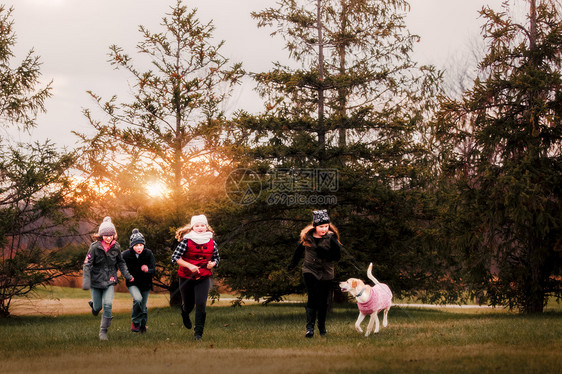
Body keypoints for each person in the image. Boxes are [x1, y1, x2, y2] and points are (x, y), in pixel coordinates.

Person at [288, 209, 342, 338]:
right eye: (321, 226)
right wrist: (292, 264)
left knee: (323, 301)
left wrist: (325, 253)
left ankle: (321, 327)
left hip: (326, 272)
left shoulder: (331, 238)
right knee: (313, 296)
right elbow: (298, 252)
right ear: (315, 226)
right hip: (310, 270)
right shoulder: (307, 237)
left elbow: (337, 256)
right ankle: (310, 328)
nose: (324, 229)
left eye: (326, 226)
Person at [82, 217, 134, 341]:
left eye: (110, 235)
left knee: (108, 304)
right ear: (101, 235)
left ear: (114, 235)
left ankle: (103, 332)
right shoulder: (94, 247)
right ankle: (94, 305)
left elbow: (121, 263)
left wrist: (128, 275)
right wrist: (86, 281)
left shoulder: (116, 247)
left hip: (110, 280)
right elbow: (87, 264)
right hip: (96, 281)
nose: (108, 237)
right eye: (105, 235)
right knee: (98, 307)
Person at [171, 214, 220, 340]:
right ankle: (184, 312)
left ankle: (198, 333)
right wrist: (189, 266)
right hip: (186, 277)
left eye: (202, 225)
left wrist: (212, 264)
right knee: (189, 305)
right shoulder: (186, 241)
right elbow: (175, 258)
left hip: (203, 277)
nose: (200, 228)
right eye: (197, 226)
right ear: (192, 227)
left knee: (201, 304)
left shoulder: (212, 242)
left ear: (206, 227)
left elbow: (217, 258)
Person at [122, 228, 156, 333]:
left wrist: (148, 270)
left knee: (143, 307)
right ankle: (135, 322)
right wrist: (127, 275)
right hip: (133, 283)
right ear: (132, 246)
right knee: (137, 299)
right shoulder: (125, 255)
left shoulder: (148, 253)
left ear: (144, 245)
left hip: (145, 283)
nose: (139, 248)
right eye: (136, 245)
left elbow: (153, 269)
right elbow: (121, 267)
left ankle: (142, 326)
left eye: (141, 245)